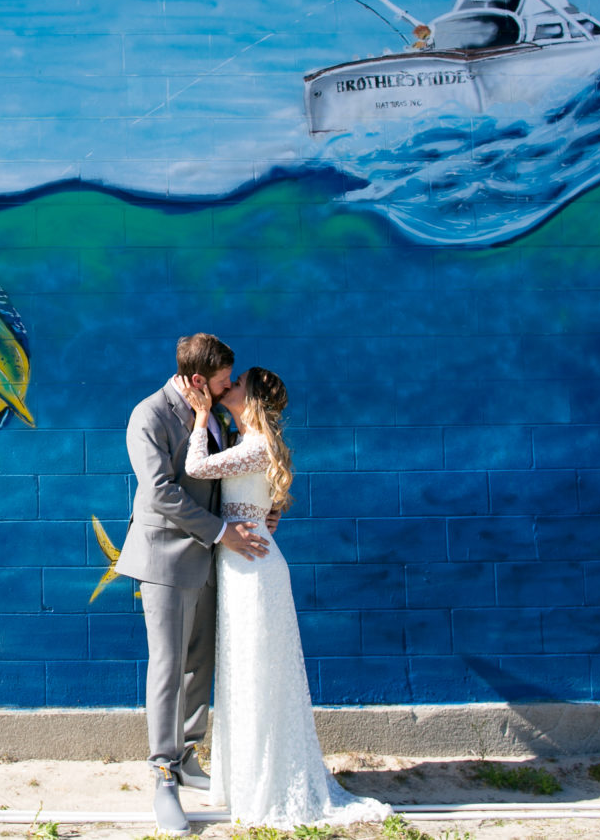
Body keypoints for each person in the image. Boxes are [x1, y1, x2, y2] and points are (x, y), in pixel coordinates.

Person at [181, 366, 392, 827]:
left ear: (251, 399)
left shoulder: (254, 446)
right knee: (246, 671)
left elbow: (195, 468)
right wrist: (264, 515)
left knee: (258, 672)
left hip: (254, 570)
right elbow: (252, 503)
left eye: (236, 385)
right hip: (245, 562)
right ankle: (250, 780)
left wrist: (198, 420)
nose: (227, 387)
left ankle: (269, 784)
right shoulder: (249, 445)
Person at [115, 333, 271, 832]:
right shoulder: (149, 415)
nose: (231, 384)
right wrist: (225, 531)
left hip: (210, 560)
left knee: (198, 663)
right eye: (225, 377)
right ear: (200, 378)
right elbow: (159, 492)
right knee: (167, 665)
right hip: (165, 559)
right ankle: (162, 773)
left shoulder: (216, 413)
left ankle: (185, 757)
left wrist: (259, 514)